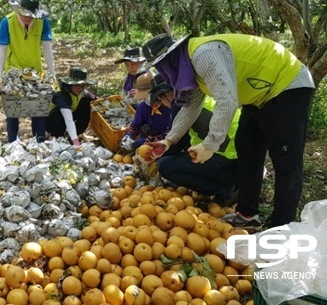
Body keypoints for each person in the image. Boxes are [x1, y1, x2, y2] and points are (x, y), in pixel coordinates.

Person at [142, 33, 315, 229]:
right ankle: (247, 215)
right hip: (257, 95)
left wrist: (210, 143)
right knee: (248, 150)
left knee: (286, 161)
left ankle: (282, 227)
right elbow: (191, 106)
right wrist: (169, 141)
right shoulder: (190, 69)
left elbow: (227, 101)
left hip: (287, 84)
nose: (162, 70)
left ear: (172, 57)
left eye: (162, 64)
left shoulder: (202, 55)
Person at [156, 95, 240, 207]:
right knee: (176, 160)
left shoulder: (183, 108)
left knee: (165, 166)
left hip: (231, 161)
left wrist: (155, 157)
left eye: (161, 99)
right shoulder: (199, 99)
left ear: (168, 93)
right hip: (237, 157)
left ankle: (226, 190)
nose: (163, 104)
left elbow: (177, 144)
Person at [0, 0, 55, 143]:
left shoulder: (43, 22)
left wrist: (52, 73)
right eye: (25, 14)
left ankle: (39, 140)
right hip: (13, 71)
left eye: (31, 15)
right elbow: (2, 50)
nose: (28, 18)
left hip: (35, 71)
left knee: (38, 108)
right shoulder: (7, 22)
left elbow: (47, 48)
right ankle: (13, 142)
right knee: (13, 108)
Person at [122, 74, 182, 153]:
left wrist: (150, 140)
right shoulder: (143, 106)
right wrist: (129, 135)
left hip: (167, 142)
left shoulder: (169, 106)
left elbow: (172, 132)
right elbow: (136, 124)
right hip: (150, 136)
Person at [45, 67, 97, 146]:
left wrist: (91, 95)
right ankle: (59, 137)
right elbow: (68, 119)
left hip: (70, 113)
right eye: (77, 86)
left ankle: (75, 134)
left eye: (83, 86)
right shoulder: (61, 95)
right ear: (69, 84)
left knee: (86, 102)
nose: (80, 89)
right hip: (51, 121)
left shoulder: (79, 90)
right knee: (61, 114)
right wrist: (75, 142)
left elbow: (84, 91)